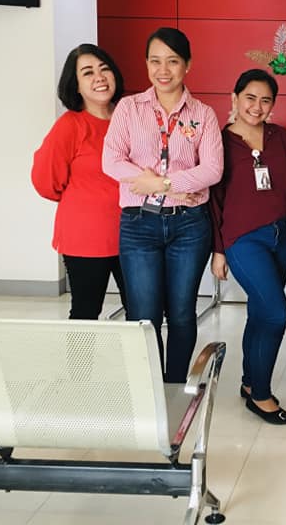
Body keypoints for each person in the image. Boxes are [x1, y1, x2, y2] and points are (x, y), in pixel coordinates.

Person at [103, 27, 223, 383]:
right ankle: (149, 386)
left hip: (189, 225)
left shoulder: (203, 114)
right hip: (139, 224)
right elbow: (111, 161)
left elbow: (213, 170)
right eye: (155, 61)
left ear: (187, 65)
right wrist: (164, 186)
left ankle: (173, 387)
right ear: (146, 64)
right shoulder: (129, 108)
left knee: (182, 313)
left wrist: (162, 184)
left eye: (172, 61)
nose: (163, 70)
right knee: (143, 315)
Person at [210, 69, 286, 425]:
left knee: (261, 312)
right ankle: (261, 394)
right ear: (234, 98)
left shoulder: (281, 138)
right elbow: (212, 201)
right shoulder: (219, 142)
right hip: (243, 240)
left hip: (280, 235)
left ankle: (249, 382)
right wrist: (218, 250)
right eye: (250, 97)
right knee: (277, 313)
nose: (256, 106)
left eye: (265, 100)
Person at [32, 44, 127, 320]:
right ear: (76, 85)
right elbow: (45, 180)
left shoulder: (130, 118)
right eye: (88, 73)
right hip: (85, 238)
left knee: (142, 312)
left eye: (104, 69)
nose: (99, 77)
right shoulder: (70, 126)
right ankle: (79, 366)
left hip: (134, 236)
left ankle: (136, 365)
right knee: (86, 313)